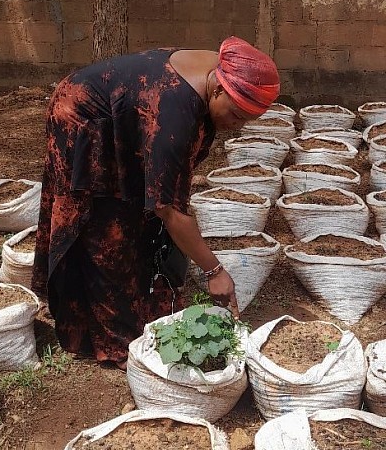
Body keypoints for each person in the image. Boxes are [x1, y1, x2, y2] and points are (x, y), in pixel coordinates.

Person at [32, 37, 280, 369]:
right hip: (84, 116)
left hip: (125, 116)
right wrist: (214, 271)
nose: (237, 126)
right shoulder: (175, 113)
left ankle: (142, 306)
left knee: (138, 217)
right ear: (219, 90)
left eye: (247, 120)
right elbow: (170, 209)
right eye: (236, 115)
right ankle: (116, 343)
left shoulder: (218, 69)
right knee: (106, 230)